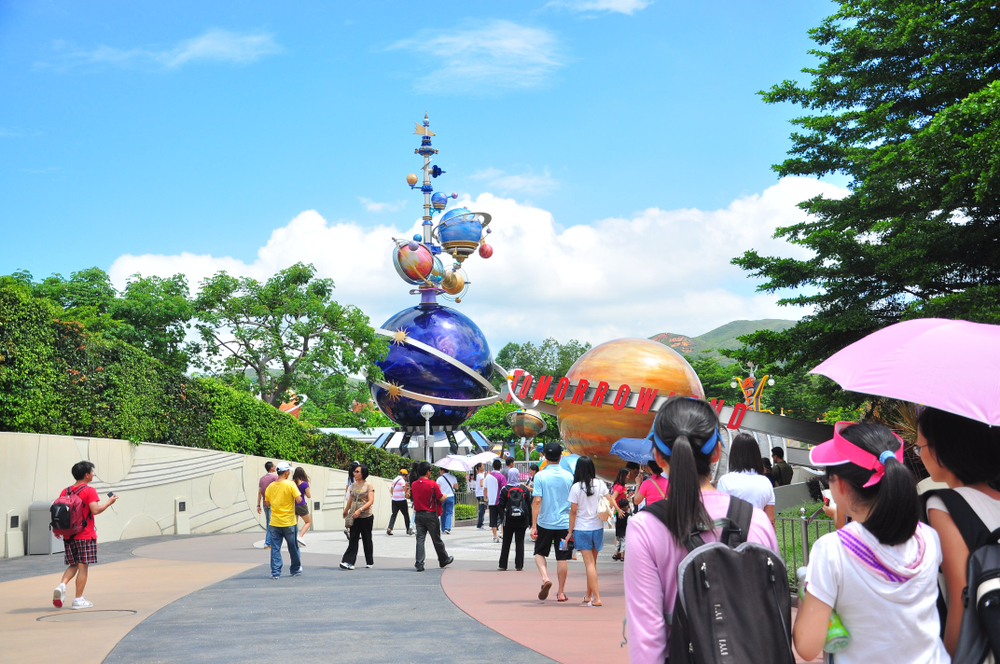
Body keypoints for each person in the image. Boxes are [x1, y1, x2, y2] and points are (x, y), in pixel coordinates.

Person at [624, 397, 778, 662]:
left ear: (658, 456)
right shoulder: (756, 520)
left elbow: (647, 638)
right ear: (717, 451)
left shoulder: (645, 527)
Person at [794, 422, 947, 663]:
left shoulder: (832, 550)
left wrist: (807, 589)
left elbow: (807, 646)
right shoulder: (928, 537)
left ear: (841, 484)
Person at [920, 406, 1000, 657]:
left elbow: (961, 600)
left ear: (941, 449)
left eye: (920, 446)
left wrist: (949, 656)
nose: (920, 455)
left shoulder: (944, 504)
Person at [51, 461, 118, 610]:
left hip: (69, 535)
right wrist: (109, 502)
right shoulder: (89, 491)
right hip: (85, 535)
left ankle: (62, 585)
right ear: (86, 475)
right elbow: (95, 510)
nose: (93, 474)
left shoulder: (65, 491)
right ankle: (78, 599)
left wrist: (57, 530)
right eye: (92, 472)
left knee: (73, 564)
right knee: (83, 567)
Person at [531, 441, 574, 602]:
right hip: (564, 524)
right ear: (561, 456)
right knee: (562, 557)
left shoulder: (540, 476)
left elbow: (537, 501)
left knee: (539, 552)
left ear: (545, 456)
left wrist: (534, 525)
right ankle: (561, 593)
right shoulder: (569, 476)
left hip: (545, 523)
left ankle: (545, 578)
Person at [567, 456, 610, 606]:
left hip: (582, 528)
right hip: (597, 527)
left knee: (589, 564)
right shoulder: (600, 484)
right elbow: (609, 501)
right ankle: (588, 595)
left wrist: (569, 531)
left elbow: (573, 512)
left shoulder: (576, 487)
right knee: (592, 564)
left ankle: (597, 598)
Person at [716, 433, 776, 527]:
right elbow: (770, 520)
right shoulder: (765, 482)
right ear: (757, 455)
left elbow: (720, 516)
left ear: (734, 455)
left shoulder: (725, 481)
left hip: (734, 534)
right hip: (758, 534)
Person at [410, 461, 454, 572]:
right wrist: (445, 496)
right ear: (428, 472)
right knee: (436, 539)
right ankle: (443, 559)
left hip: (418, 514)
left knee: (420, 539)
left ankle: (419, 563)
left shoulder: (414, 484)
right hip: (430, 515)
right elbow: (440, 497)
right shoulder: (432, 484)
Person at [264, 461, 302, 579]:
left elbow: (267, 503)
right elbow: (299, 500)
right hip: (289, 521)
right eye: (289, 471)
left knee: (275, 548)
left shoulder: (270, 486)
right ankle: (295, 569)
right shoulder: (290, 485)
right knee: (293, 547)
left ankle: (275, 572)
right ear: (286, 472)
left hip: (274, 522)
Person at [340, 464, 375, 570]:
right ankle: (348, 562)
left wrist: (360, 510)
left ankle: (369, 561)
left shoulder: (369, 486)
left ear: (363, 473)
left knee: (366, 539)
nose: (354, 473)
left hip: (366, 516)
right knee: (353, 539)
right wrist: (346, 510)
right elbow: (351, 499)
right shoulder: (353, 486)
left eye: (357, 471)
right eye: (354, 472)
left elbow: (371, 501)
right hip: (354, 516)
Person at [498, 472, 532, 571]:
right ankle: (519, 565)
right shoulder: (524, 489)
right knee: (520, 542)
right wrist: (530, 521)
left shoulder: (505, 489)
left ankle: (503, 565)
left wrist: (503, 518)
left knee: (506, 542)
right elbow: (529, 505)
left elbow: (500, 505)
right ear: (518, 476)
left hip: (509, 520)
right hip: (522, 520)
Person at [256, 461, 279, 549]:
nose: (275, 467)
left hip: (265, 503)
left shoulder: (261, 479)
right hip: (273, 503)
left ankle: (270, 542)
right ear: (271, 468)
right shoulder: (275, 477)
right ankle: (268, 542)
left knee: (268, 522)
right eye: (274, 466)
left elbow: (259, 493)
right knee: (272, 523)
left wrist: (258, 505)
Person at [610, 467, 631, 561]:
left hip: (621, 511)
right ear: (623, 476)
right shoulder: (619, 487)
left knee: (620, 533)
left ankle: (618, 552)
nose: (628, 478)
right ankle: (618, 552)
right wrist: (618, 509)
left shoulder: (621, 486)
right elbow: (613, 498)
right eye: (627, 476)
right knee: (620, 533)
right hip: (620, 512)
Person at [387, 468, 412, 536]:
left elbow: (391, 490)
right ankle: (408, 529)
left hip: (394, 500)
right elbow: (405, 490)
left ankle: (389, 528)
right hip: (401, 500)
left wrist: (395, 496)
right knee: (406, 515)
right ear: (405, 475)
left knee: (394, 514)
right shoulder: (402, 481)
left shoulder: (394, 480)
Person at [484, 460, 503, 543]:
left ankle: (495, 536)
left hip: (491, 501)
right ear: (501, 466)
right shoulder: (501, 476)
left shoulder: (488, 476)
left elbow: (485, 488)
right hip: (501, 501)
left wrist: (485, 498)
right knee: (503, 518)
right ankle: (502, 532)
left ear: (492, 466)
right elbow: (504, 489)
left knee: (493, 519)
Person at [292, 467, 312, 546]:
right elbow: (309, 496)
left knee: (294, 523)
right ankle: (300, 537)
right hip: (301, 504)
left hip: (293, 505)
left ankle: (293, 539)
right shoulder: (304, 484)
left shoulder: (292, 483)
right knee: (308, 522)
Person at [437, 468, 457, 534]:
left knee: (442, 513)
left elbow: (437, 488)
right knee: (449, 513)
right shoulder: (453, 477)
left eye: (440, 470)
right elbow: (456, 487)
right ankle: (447, 528)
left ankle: (443, 529)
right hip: (450, 496)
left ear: (442, 471)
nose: (440, 472)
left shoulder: (439, 479)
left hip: (442, 497)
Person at [344, 460, 360, 539]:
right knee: (356, 514)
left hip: (350, 496)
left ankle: (351, 531)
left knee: (352, 512)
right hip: (356, 496)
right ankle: (349, 530)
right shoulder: (357, 476)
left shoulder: (349, 476)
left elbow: (347, 488)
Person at [472, 463, 487, 529]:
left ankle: (480, 524)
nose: (483, 467)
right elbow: (481, 485)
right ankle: (480, 524)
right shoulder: (481, 475)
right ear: (479, 467)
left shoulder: (477, 475)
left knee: (482, 509)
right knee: (482, 509)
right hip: (481, 494)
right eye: (482, 466)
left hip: (478, 494)